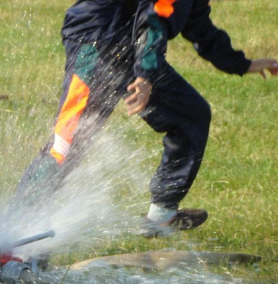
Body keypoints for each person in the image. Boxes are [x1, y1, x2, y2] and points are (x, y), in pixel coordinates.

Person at [15, 0, 278, 236]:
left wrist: (242, 64)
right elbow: (152, 18)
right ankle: (14, 229)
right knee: (68, 143)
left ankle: (161, 217)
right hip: (96, 40)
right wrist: (145, 75)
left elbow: (197, 25)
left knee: (192, 115)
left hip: (133, 47)